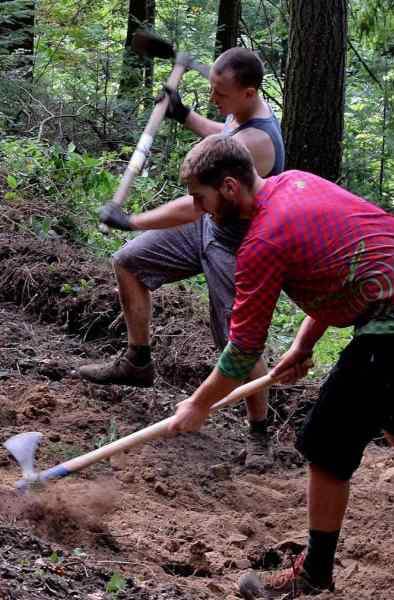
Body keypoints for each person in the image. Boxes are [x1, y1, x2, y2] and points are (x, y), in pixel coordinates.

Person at [166, 134, 394, 598]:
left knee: (326, 441)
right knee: (391, 408)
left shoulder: (263, 241)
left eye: (200, 198)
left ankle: (314, 576)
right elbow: (340, 267)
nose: (199, 208)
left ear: (228, 187)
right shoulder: (294, 183)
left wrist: (197, 404)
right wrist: (303, 345)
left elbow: (243, 349)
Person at [78, 47, 286, 472]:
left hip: (237, 247)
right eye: (211, 90)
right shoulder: (241, 116)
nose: (215, 100)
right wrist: (184, 114)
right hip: (210, 225)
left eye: (221, 94)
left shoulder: (259, 142)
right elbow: (220, 133)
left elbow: (195, 205)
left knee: (239, 341)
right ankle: (138, 361)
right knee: (129, 262)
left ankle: (259, 432)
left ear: (249, 93)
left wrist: (132, 219)